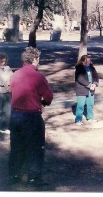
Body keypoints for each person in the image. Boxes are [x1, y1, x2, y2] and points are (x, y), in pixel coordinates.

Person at [9, 47, 53, 188]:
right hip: (31, 116)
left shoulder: (15, 75)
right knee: (35, 147)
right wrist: (43, 102)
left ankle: (14, 175)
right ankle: (33, 178)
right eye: (38, 59)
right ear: (34, 59)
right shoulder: (37, 76)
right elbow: (48, 96)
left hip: (15, 115)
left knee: (17, 146)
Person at [74, 55, 99, 125]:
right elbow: (80, 79)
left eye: (89, 60)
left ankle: (90, 118)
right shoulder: (79, 69)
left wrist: (95, 84)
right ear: (83, 61)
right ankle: (78, 120)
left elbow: (95, 76)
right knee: (80, 105)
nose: (89, 62)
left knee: (90, 104)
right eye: (87, 61)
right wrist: (89, 85)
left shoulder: (92, 68)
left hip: (91, 89)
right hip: (82, 89)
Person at [0, 53, 13, 134]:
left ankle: (4, 127)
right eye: (1, 61)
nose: (3, 63)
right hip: (1, 91)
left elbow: (12, 77)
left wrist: (10, 86)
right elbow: (2, 79)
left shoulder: (7, 68)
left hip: (8, 91)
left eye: (4, 61)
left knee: (7, 110)